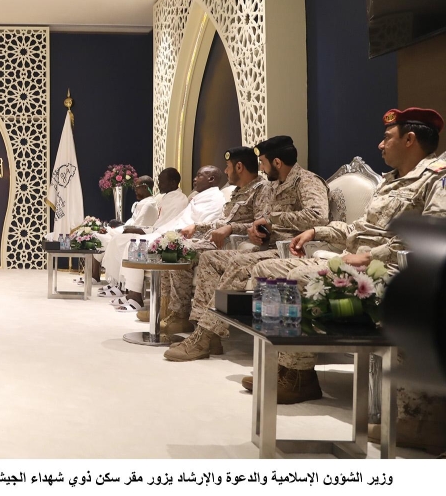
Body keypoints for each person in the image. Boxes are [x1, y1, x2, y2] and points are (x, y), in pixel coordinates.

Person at [243, 108, 446, 445]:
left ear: (410, 139)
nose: (380, 144)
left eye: (387, 138)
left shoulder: (438, 178)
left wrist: (370, 256)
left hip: (392, 271)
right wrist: (316, 232)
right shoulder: (390, 181)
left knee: (299, 279)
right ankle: (291, 368)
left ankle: (300, 376)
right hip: (355, 263)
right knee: (268, 270)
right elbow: (358, 229)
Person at [164, 135, 329, 362]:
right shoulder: (273, 185)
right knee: (210, 258)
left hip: (292, 251)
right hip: (268, 247)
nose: (260, 168)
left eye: (263, 162)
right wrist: (257, 230)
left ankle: (203, 337)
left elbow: (318, 216)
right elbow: (262, 220)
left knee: (238, 263)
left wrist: (272, 220)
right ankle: (208, 335)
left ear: (277, 162)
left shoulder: (307, 181)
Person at [159, 147, 267, 335]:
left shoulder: (261, 189)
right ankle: (167, 310)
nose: (225, 171)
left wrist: (231, 228)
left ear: (239, 167)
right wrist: (197, 226)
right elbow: (222, 221)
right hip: (214, 238)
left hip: (231, 244)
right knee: (171, 248)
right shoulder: (238, 191)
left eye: (228, 166)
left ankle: (181, 315)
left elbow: (260, 225)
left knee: (180, 253)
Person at [103, 166, 226, 298]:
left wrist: (168, 235)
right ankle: (129, 291)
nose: (194, 179)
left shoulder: (215, 199)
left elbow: (203, 226)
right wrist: (159, 232)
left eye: (199, 176)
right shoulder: (198, 197)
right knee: (133, 242)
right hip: (170, 232)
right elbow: (176, 220)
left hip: (186, 238)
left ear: (211, 179)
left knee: (137, 244)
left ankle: (134, 297)